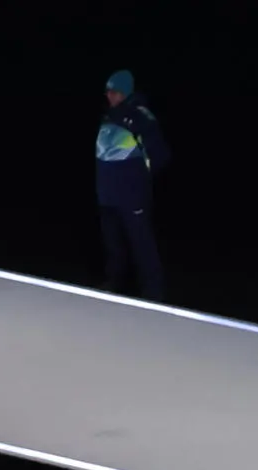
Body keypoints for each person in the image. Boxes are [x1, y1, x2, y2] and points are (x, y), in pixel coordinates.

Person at [91, 70, 168, 299]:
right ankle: (114, 286)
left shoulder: (140, 116)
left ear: (124, 92)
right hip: (107, 196)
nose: (109, 96)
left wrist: (137, 181)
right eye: (107, 92)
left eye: (113, 91)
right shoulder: (108, 117)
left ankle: (154, 292)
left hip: (132, 196)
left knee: (142, 244)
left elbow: (161, 155)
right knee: (113, 245)